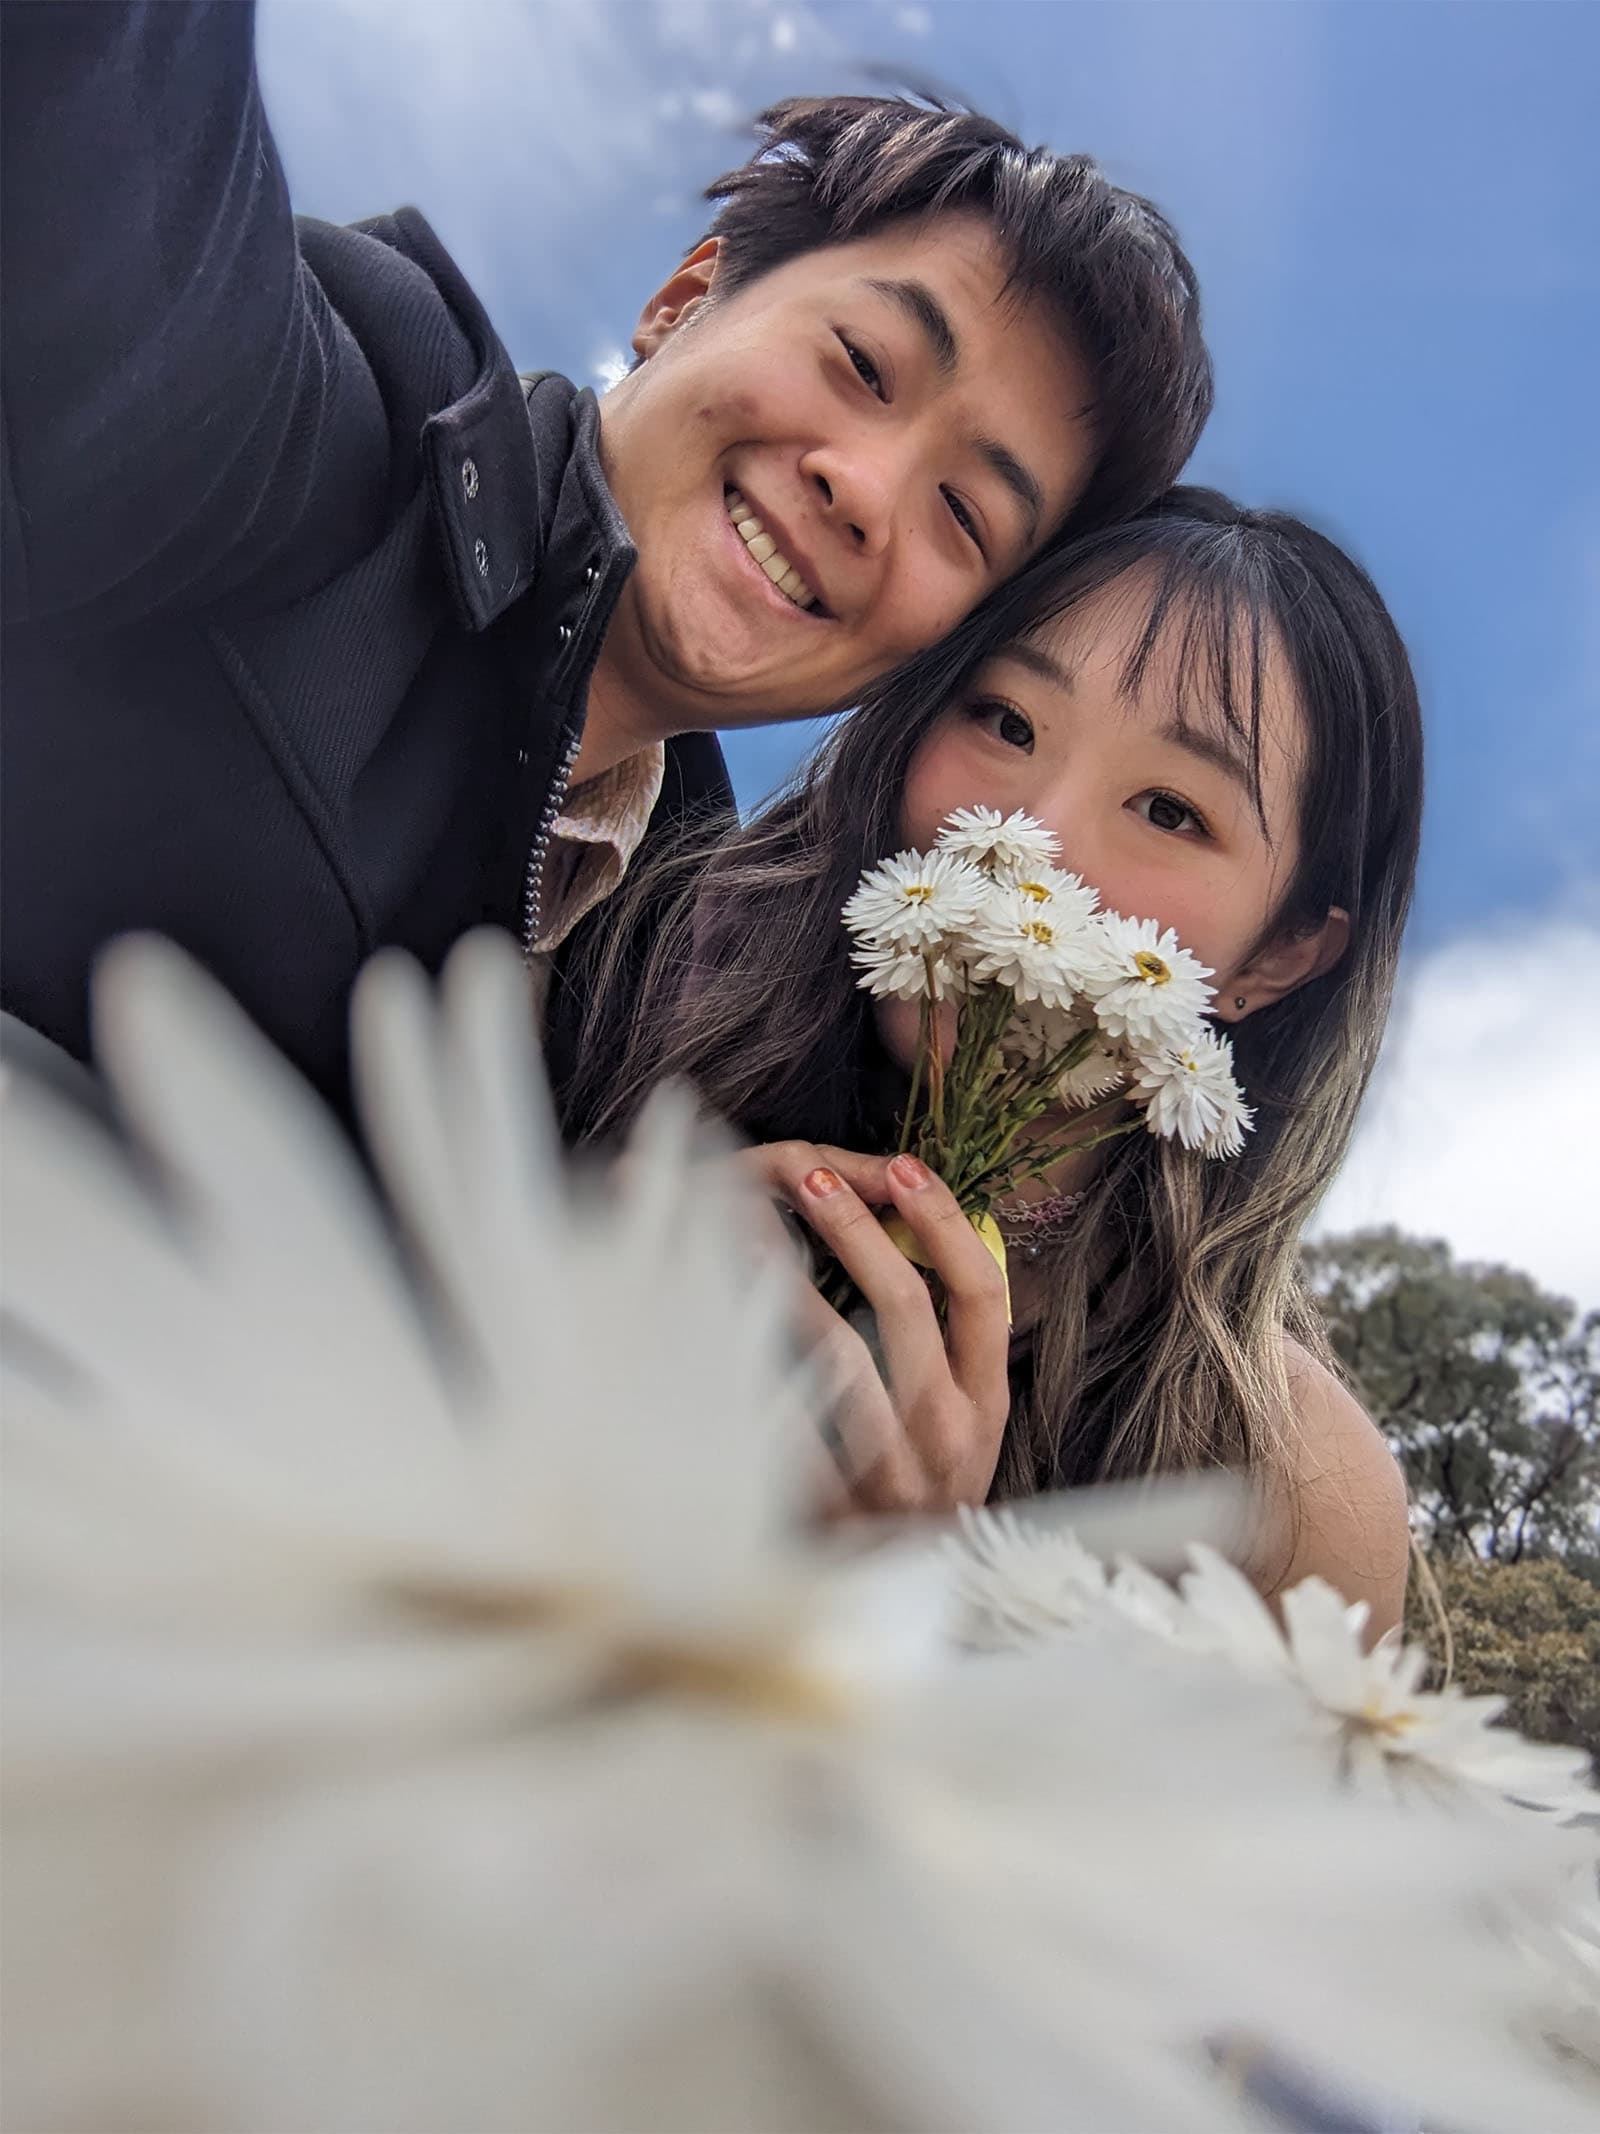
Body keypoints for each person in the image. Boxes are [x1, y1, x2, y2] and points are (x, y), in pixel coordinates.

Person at [0, 0, 1210, 1112]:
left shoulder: (686, 997)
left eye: (963, 513)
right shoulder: (321, 428)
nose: (864, 490)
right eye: (861, 363)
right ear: (683, 301)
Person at [556, 487, 1422, 1632]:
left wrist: (862, 1605)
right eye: (1005, 723)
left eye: (1169, 809)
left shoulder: (1289, 1494)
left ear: (1280, 955)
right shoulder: (592, 985)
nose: (1034, 847)